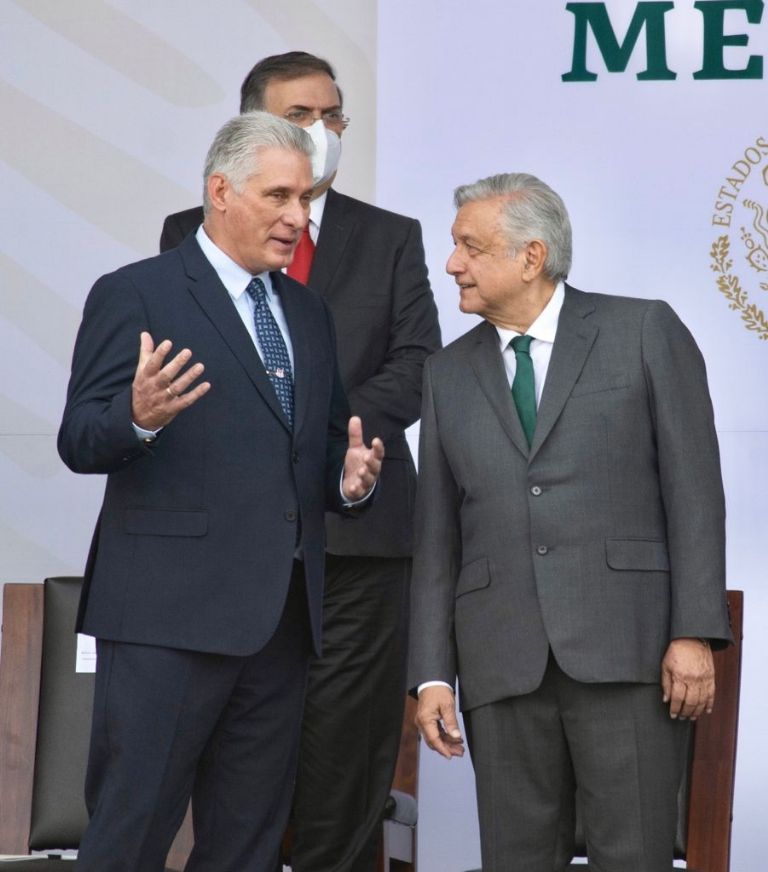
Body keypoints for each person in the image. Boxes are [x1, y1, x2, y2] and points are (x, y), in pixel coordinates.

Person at [58, 111, 383, 872]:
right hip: (167, 624)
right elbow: (79, 439)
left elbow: (325, 439)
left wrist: (346, 477)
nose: (298, 218)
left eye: (304, 199)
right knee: (130, 835)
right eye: (279, 196)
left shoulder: (307, 312)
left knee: (248, 845)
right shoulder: (137, 293)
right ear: (220, 192)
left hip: (280, 627)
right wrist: (135, 419)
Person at [160, 52, 441, 872]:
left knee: (347, 765)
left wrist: (323, 434)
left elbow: (418, 361)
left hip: (362, 543)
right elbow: (195, 364)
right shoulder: (191, 233)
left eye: (333, 116)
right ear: (252, 127)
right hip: (245, 549)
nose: (321, 132)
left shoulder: (390, 236)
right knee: (239, 768)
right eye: (299, 115)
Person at [408, 172, 732, 872]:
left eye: (470, 246)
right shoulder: (445, 374)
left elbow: (695, 492)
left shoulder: (643, 328)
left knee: (633, 855)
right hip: (500, 664)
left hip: (629, 652)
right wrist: (431, 674)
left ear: (531, 256)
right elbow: (436, 537)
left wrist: (693, 631)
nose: (452, 263)